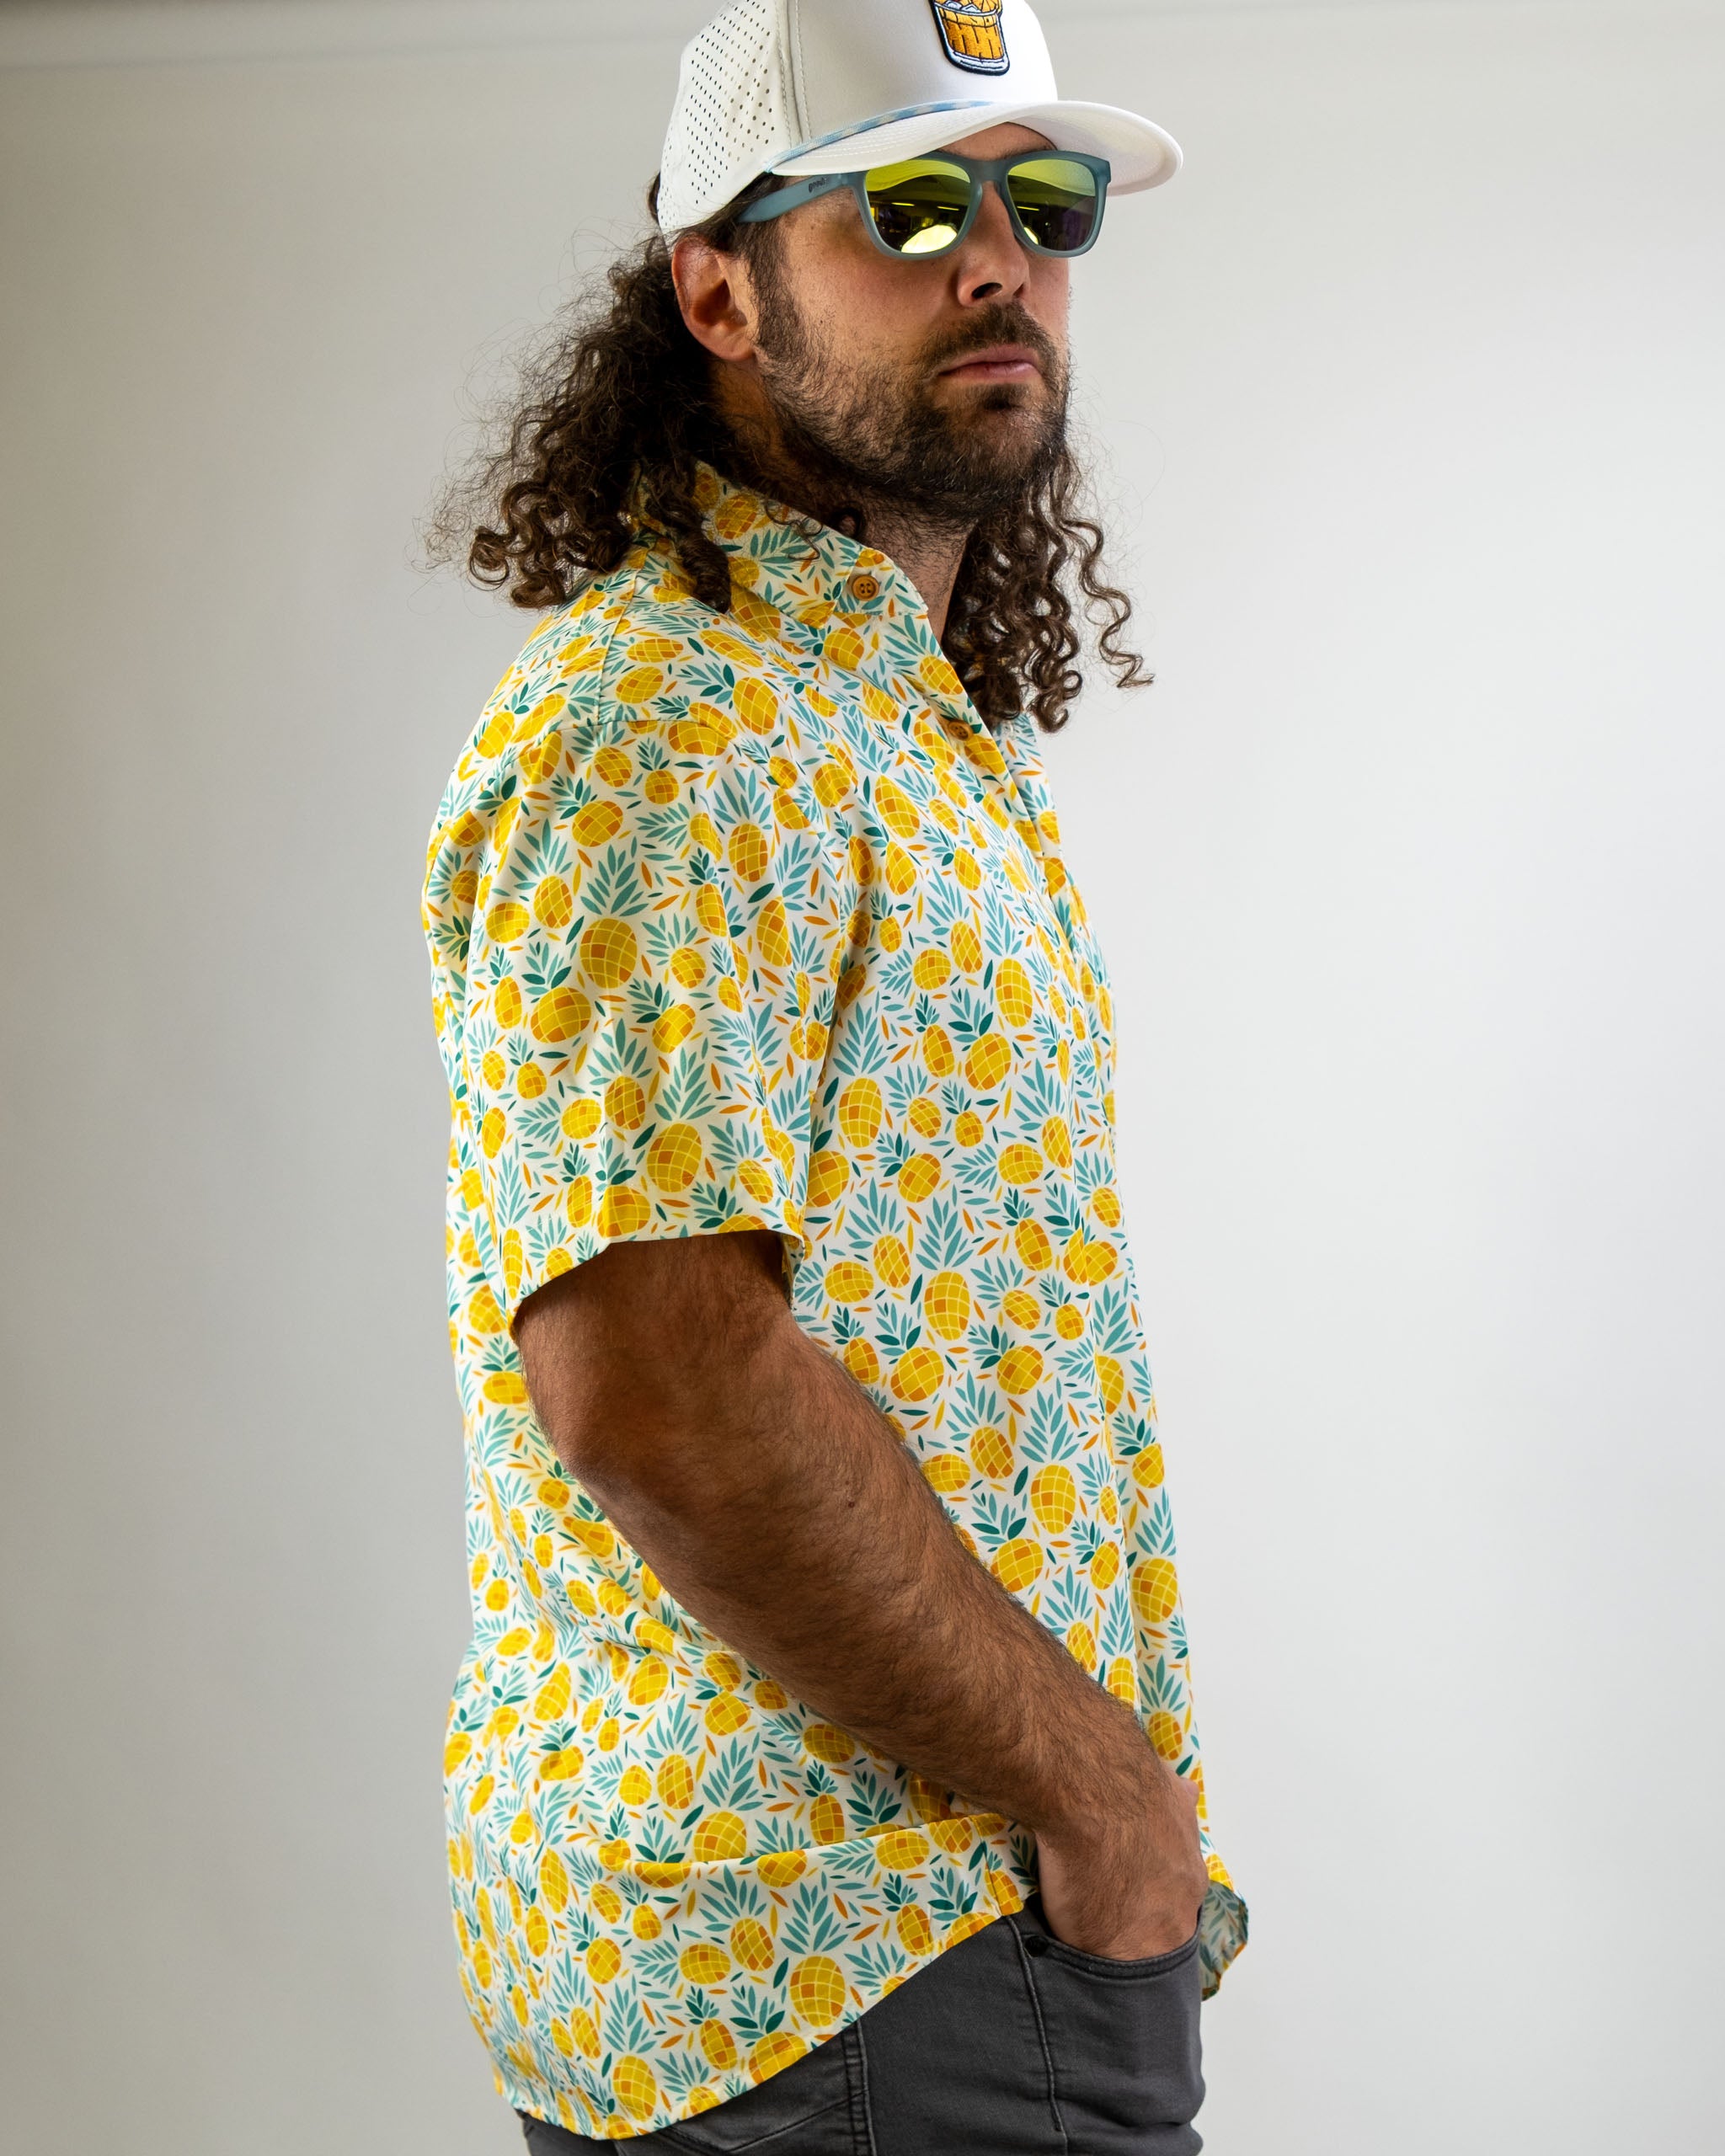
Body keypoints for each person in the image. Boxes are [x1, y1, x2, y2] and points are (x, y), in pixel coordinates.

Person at [422, 2, 1247, 2147]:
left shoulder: (884, 732)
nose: (997, 257)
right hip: (858, 1957)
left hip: (911, 1941)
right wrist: (1101, 1801)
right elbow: (660, 1380)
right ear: (716, 285)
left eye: (1039, 201)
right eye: (903, 203)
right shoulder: (666, 722)